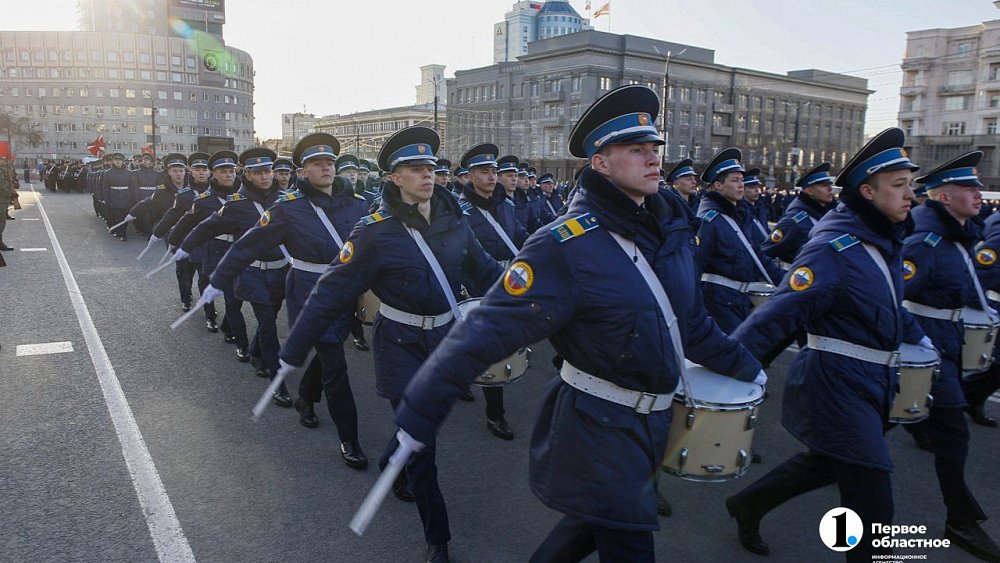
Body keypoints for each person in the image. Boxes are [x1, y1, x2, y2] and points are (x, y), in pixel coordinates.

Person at [391, 86, 762, 563]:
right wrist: (421, 408)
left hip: (653, 420)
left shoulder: (672, 230)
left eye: (654, 147)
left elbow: (690, 324)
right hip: (598, 426)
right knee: (627, 541)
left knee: (589, 527)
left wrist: (748, 367)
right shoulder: (565, 244)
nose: (653, 158)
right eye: (635, 149)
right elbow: (485, 330)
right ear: (600, 163)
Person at [277, 126, 504, 563]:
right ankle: (438, 538)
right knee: (423, 440)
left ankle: (393, 465)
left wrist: (529, 297)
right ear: (395, 178)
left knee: (418, 429)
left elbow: (485, 271)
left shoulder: (455, 221)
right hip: (399, 341)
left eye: (431, 167)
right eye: (415, 169)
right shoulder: (373, 230)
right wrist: (295, 348)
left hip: (444, 338)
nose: (427, 174)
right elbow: (332, 290)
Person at [724, 128, 927, 562]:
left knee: (825, 463)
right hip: (836, 384)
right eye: (899, 185)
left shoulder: (882, 241)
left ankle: (749, 504)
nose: (911, 194)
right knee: (874, 506)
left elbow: (888, 306)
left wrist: (922, 341)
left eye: (910, 184)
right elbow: (776, 317)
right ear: (868, 192)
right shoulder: (835, 250)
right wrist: (724, 371)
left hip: (871, 381)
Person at [208, 133, 371, 465]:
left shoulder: (358, 204)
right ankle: (350, 439)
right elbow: (247, 246)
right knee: (335, 364)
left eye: (329, 163)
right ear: (302, 171)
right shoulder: (288, 207)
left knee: (330, 351)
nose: (326, 168)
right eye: (317, 164)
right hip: (309, 290)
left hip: (346, 291)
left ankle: (306, 397)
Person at [899, 151, 1000, 562]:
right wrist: (917, 344)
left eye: (978, 187)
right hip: (928, 348)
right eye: (969, 187)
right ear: (943, 197)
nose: (979, 194)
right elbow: (893, 299)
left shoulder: (955, 235)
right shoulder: (926, 242)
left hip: (945, 343)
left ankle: (754, 501)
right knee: (953, 433)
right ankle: (961, 521)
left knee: (848, 450)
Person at [177, 148, 294, 405]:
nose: (265, 176)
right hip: (252, 272)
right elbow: (204, 228)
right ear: (247, 175)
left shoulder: (287, 200)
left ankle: (255, 351)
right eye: (258, 172)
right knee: (268, 325)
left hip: (281, 270)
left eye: (268, 171)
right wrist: (182, 246)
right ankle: (277, 383)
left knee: (271, 318)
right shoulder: (237, 204)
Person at [457, 143, 529, 439]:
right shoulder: (460, 212)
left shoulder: (507, 206)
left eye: (494, 171)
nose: (491, 177)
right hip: (475, 285)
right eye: (484, 172)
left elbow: (519, 236)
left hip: (508, 281)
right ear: (470, 176)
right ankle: (495, 414)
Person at [696, 148, 784, 332]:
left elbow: (759, 257)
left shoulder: (741, 215)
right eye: (735, 180)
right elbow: (695, 265)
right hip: (718, 302)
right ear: (718, 185)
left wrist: (787, 284)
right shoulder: (710, 220)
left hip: (741, 300)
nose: (741, 185)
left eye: (742, 180)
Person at [168, 151, 246, 348]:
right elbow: (186, 222)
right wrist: (174, 241)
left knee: (236, 292)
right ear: (215, 174)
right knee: (206, 282)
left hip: (236, 249)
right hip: (209, 247)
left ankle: (229, 325)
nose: (228, 175)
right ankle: (210, 315)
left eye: (231, 171)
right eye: (223, 171)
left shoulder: (244, 196)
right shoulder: (203, 199)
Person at [762, 161, 837, 269]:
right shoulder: (793, 221)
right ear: (810, 191)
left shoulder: (827, 214)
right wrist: (780, 276)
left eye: (830, 184)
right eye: (824, 185)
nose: (830, 188)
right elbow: (766, 252)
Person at [102, 153, 134, 240]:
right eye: (116, 160)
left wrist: (132, 198)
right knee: (117, 216)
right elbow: (105, 188)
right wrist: (107, 200)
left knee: (125, 216)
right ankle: (121, 233)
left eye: (120, 160)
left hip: (126, 197)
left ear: (123, 161)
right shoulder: (108, 173)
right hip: (114, 197)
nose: (118, 162)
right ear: (113, 161)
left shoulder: (129, 173)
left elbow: (132, 187)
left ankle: (122, 231)